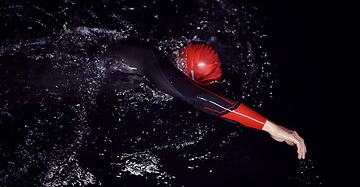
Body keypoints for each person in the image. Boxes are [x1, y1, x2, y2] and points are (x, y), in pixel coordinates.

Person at [105, 38, 307, 159]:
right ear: (189, 77)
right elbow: (197, 95)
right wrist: (271, 127)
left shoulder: (154, 54)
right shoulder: (150, 61)